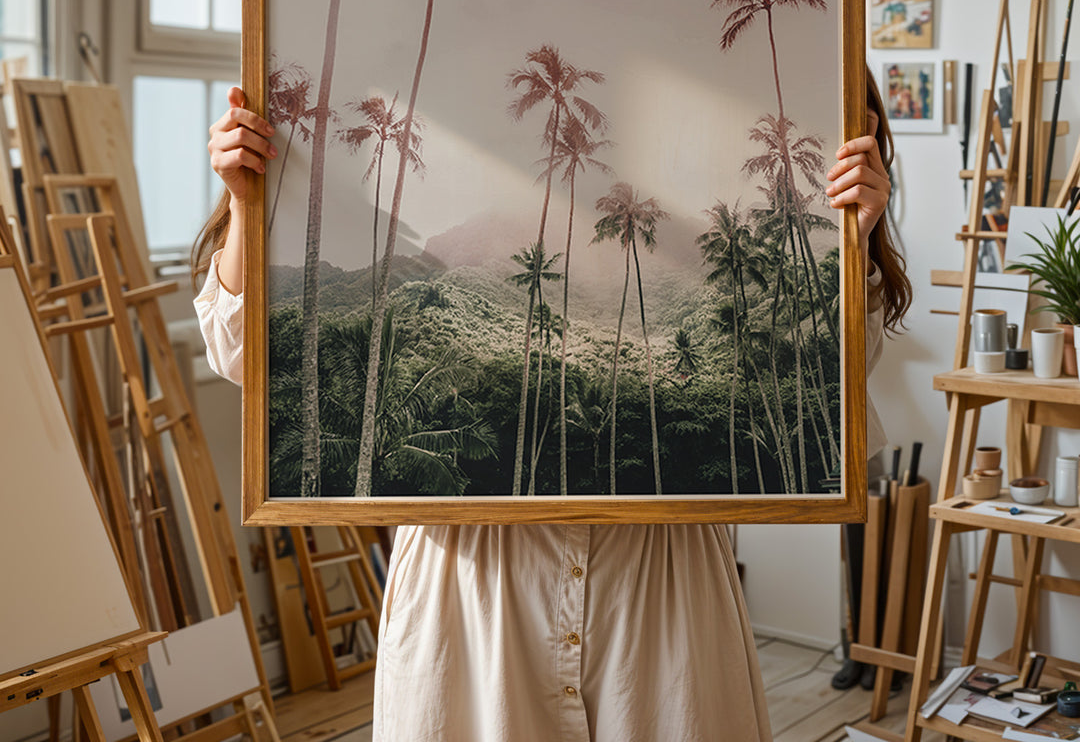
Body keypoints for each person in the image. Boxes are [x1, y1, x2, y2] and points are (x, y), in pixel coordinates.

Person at [193, 75, 909, 742]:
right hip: (470, 587)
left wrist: (854, 237)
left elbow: (821, 379)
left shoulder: (705, 246)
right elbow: (241, 356)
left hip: (663, 580)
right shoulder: (445, 251)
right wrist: (248, 205)